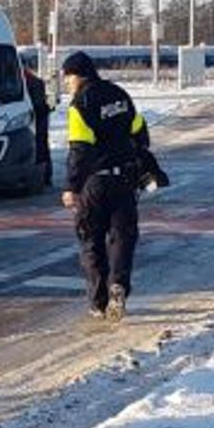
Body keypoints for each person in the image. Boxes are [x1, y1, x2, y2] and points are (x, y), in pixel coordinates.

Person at [59, 51, 148, 321]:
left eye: (67, 78)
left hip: (94, 183)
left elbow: (79, 149)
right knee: (123, 236)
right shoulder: (119, 94)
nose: (67, 84)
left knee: (91, 239)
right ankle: (118, 284)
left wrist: (71, 187)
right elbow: (140, 131)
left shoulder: (80, 103)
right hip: (124, 179)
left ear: (77, 75)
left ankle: (98, 302)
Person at [24, 67, 52, 188]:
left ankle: (43, 176)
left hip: (38, 116)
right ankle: (45, 176)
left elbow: (38, 104)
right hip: (40, 115)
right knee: (42, 145)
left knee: (40, 146)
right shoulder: (34, 80)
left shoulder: (29, 81)